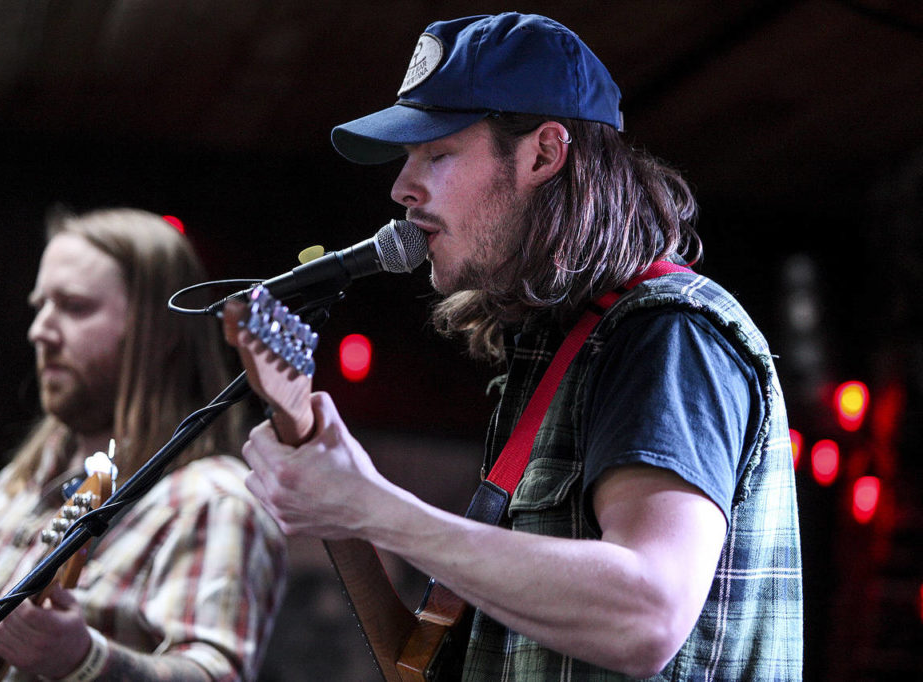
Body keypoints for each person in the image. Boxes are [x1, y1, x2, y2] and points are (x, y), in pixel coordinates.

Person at [224, 12, 802, 681]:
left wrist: (372, 504)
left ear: (544, 154)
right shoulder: (558, 355)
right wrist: (341, 498)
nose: (400, 188)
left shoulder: (668, 332)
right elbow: (415, 668)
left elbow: (645, 615)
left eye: (437, 154)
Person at [0, 208, 287, 681]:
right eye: (40, 306)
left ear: (158, 333)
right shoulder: (18, 484)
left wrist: (86, 661)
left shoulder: (213, 500)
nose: (40, 331)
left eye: (74, 306)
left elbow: (216, 673)